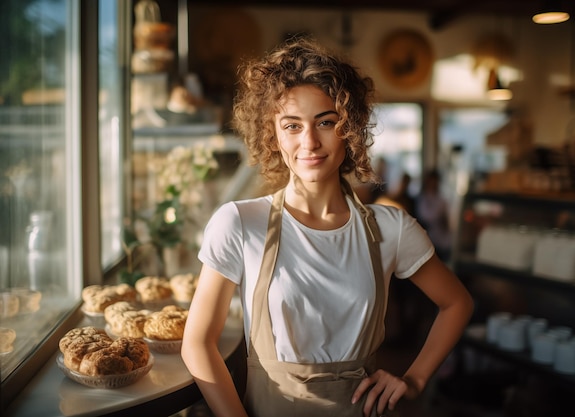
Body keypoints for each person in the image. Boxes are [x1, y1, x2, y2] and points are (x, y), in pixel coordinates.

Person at [181, 36, 474, 417]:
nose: (310, 142)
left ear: (348, 127)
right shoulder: (239, 223)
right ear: (273, 134)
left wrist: (414, 379)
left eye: (325, 121)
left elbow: (457, 303)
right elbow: (197, 344)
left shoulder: (391, 228)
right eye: (292, 125)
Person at [415, 169, 453, 262]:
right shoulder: (421, 198)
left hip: (440, 240)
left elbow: (444, 221)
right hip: (426, 239)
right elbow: (425, 215)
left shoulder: (441, 199)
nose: (433, 183)